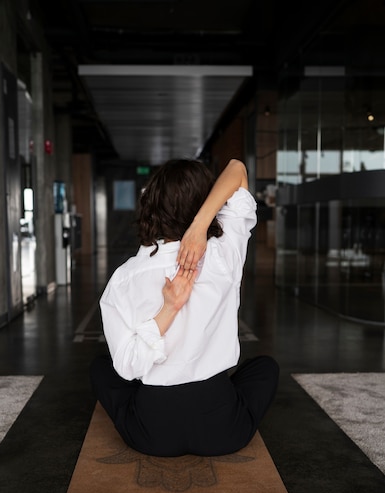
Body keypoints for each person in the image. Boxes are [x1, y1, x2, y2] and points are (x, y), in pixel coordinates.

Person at [90, 158, 279, 457]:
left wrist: (166, 313)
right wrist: (200, 227)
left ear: (150, 204)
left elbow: (128, 368)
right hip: (222, 429)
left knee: (101, 368)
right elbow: (236, 170)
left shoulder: (124, 278)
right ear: (207, 203)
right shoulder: (224, 252)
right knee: (266, 368)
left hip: (153, 434)